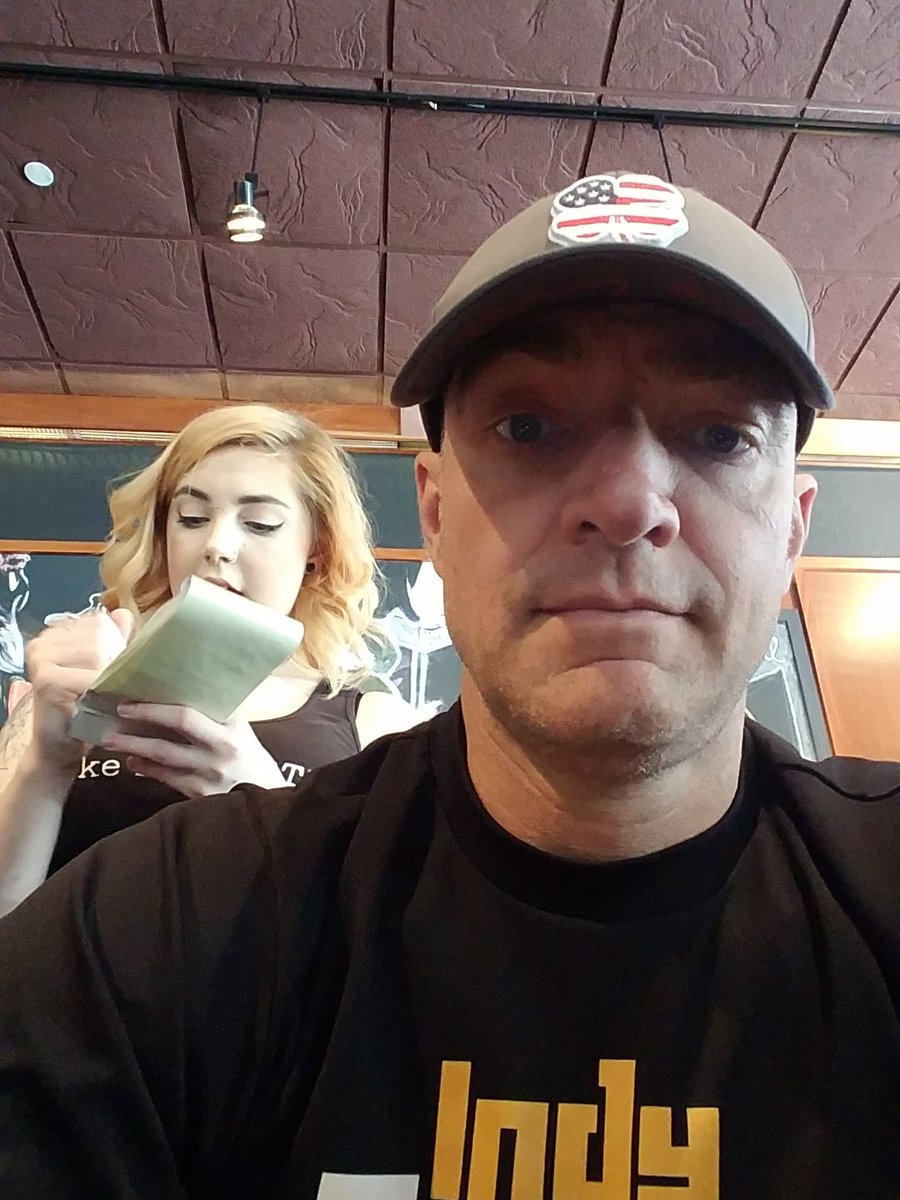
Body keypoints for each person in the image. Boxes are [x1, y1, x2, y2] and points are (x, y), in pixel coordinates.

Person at [2, 174, 900, 1199]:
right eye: (528, 427)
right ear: (433, 514)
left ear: (793, 531)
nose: (626, 502)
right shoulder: (166, 923)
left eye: (719, 435)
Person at [0, 404, 415, 915]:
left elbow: (389, 938)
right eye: (191, 518)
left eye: (260, 524)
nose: (217, 545)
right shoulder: (67, 694)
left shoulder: (373, 724)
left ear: (318, 548)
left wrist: (263, 801)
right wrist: (46, 767)